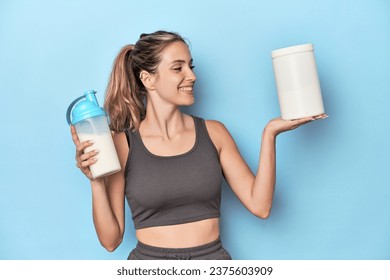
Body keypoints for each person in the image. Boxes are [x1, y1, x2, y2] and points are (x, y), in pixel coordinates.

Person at [70, 30, 327, 260]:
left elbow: (260, 206)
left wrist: (269, 134)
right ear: (148, 79)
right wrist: (95, 181)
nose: (191, 76)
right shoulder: (123, 144)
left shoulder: (214, 133)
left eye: (191, 66)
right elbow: (111, 241)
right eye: (177, 68)